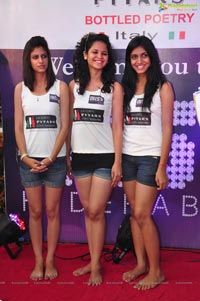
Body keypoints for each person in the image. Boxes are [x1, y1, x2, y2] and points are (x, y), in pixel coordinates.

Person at [67, 33, 123, 286]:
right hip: (79, 157)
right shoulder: (72, 86)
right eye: (95, 52)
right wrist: (68, 154)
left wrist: (117, 162)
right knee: (88, 211)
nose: (100, 57)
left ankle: (96, 265)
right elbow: (68, 124)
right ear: (85, 54)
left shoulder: (114, 88)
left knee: (96, 211)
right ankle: (92, 261)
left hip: (104, 156)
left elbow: (118, 127)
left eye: (104, 53)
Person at [14, 36, 69, 280]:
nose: (41, 61)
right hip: (29, 162)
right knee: (35, 213)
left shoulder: (61, 87)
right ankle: (38, 261)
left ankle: (50, 260)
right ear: (29, 59)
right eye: (35, 57)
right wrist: (25, 157)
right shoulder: (20, 89)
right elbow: (17, 127)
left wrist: (52, 156)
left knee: (52, 211)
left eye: (44, 56)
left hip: (54, 160)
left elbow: (65, 126)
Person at [121, 36, 174, 290]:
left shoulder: (163, 87)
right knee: (135, 214)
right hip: (128, 157)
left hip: (150, 158)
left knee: (143, 214)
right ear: (129, 61)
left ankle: (156, 271)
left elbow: (167, 130)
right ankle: (141, 264)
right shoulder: (126, 87)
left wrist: (162, 166)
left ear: (151, 57)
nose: (139, 61)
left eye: (143, 55)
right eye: (134, 57)